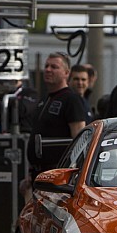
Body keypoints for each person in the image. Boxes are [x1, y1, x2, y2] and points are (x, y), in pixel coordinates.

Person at [26, 53, 88, 181]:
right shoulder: (44, 100)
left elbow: (80, 141)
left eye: (54, 67)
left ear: (66, 73)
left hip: (58, 176)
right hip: (38, 174)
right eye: (47, 66)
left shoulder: (71, 99)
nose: (48, 69)